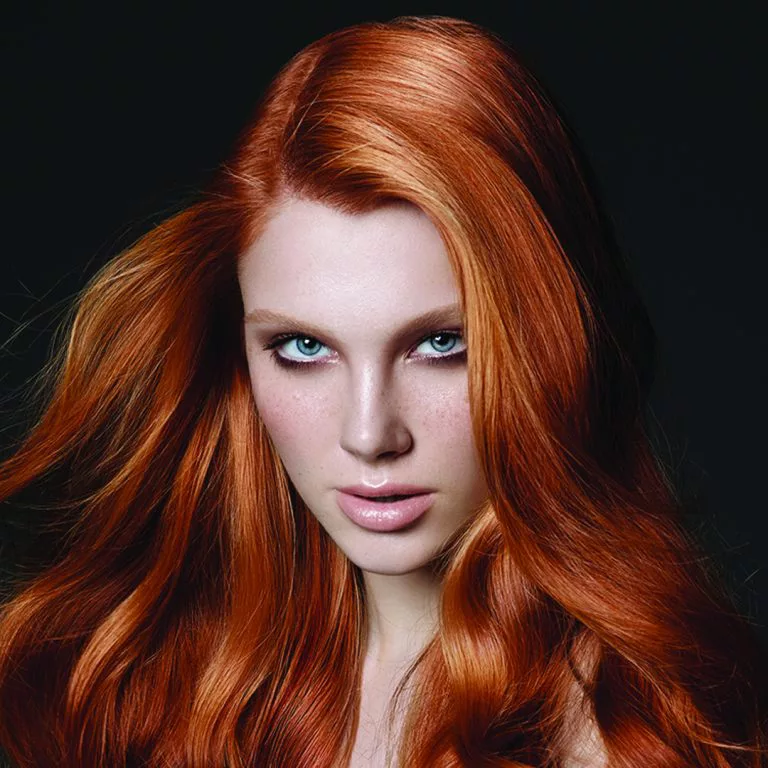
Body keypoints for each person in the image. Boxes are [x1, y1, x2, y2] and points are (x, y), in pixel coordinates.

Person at [0, 14, 766, 768]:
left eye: (442, 344)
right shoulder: (163, 695)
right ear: (240, 352)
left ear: (554, 348)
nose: (369, 434)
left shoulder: (609, 745)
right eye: (304, 348)